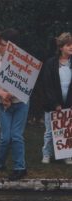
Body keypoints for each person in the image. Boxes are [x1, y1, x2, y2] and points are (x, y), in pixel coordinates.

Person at [0, 28, 29, 181]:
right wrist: (2, 95)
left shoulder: (24, 62)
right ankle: (0, 163)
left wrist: (9, 96)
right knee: (5, 137)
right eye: (0, 44)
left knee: (16, 135)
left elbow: (26, 85)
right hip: (2, 103)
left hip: (20, 103)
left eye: (3, 45)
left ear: (12, 47)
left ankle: (20, 167)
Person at [41, 32, 72, 164]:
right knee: (49, 131)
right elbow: (47, 85)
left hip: (69, 103)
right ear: (60, 47)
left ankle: (67, 155)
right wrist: (55, 104)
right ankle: (47, 154)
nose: (71, 47)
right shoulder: (51, 63)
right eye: (68, 45)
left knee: (68, 130)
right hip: (52, 104)